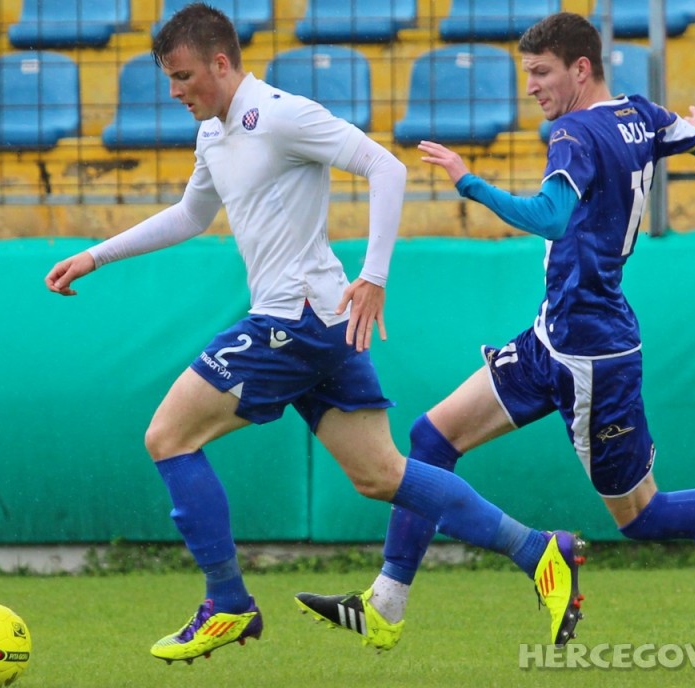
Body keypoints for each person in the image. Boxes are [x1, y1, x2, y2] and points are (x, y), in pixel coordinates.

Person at [295, 11, 695, 652]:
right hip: (553, 338)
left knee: (645, 517)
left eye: (541, 73)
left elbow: (548, 217)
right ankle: (386, 604)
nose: (533, 88)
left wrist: (468, 180)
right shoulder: (645, 116)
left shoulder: (573, 133)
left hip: (593, 355)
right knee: (432, 436)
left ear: (581, 68)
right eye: (528, 74)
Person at [45, 3, 586, 665]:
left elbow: (385, 168)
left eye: (184, 76)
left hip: (293, 323)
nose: (176, 91)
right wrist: (96, 255)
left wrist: (376, 274)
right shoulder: (215, 134)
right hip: (322, 325)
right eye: (169, 80)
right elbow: (192, 214)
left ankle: (228, 604)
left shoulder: (278, 114)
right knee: (383, 474)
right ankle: (540, 551)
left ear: (221, 61)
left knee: (168, 437)